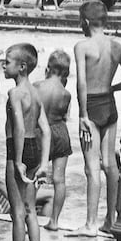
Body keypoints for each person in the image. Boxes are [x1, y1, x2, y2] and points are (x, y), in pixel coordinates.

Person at [0, 43, 51, 241]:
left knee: (17, 213)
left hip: (17, 150)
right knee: (30, 212)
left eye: (7, 62)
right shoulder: (37, 93)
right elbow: (46, 131)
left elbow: (18, 127)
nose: (3, 65)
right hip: (35, 150)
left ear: (22, 67)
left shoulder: (15, 94)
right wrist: (44, 163)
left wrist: (17, 161)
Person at [72, 0, 121, 237]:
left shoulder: (82, 46)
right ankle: (110, 220)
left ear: (84, 21)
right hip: (109, 104)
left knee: (92, 168)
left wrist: (83, 114)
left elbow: (82, 83)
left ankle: (90, 224)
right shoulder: (116, 47)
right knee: (110, 165)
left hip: (92, 106)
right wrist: (114, 89)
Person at [35, 50, 73, 231]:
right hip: (60, 133)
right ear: (66, 72)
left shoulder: (36, 86)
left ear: (48, 68)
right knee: (59, 179)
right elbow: (65, 116)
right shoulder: (66, 94)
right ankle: (54, 221)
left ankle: (27, 213)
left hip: (40, 132)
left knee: (33, 174)